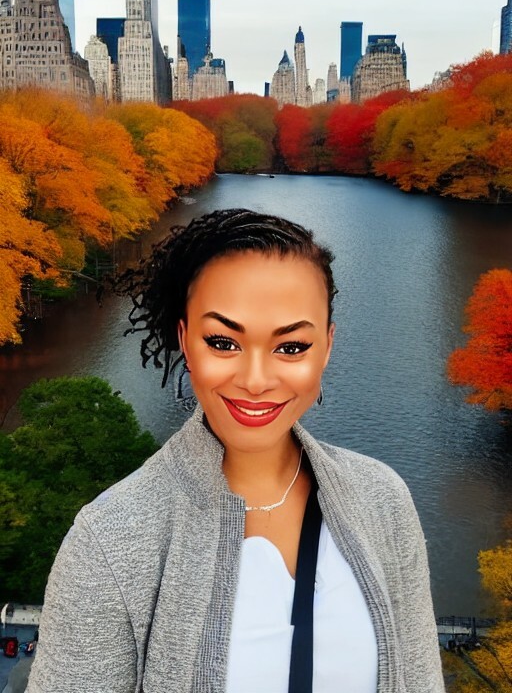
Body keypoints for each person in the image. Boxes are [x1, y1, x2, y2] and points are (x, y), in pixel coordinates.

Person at [27, 209, 445, 692]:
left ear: (327, 346)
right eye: (223, 342)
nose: (255, 380)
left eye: (291, 347)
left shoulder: (382, 498)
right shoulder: (112, 539)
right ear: (185, 340)